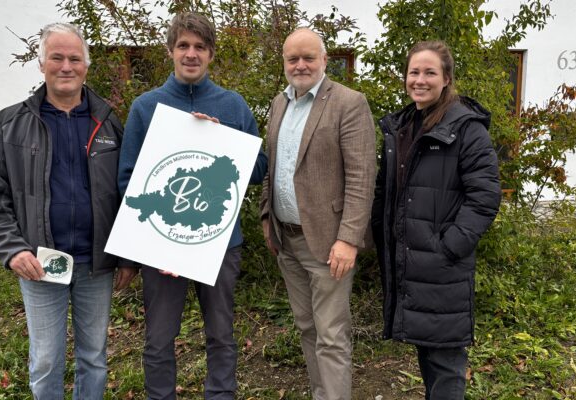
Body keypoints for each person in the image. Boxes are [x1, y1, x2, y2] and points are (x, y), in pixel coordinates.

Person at [0, 22, 137, 399]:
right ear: (41, 64)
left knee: (94, 358)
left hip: (96, 263)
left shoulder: (108, 122)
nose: (66, 66)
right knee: (47, 360)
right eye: (57, 57)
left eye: (74, 58)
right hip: (40, 263)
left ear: (86, 65)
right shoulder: (9, 124)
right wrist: (13, 249)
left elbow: (128, 192)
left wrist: (128, 256)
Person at [117, 12, 267, 400]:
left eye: (200, 46)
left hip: (219, 244)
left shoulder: (233, 105)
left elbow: (259, 169)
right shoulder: (146, 107)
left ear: (211, 54)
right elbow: (128, 180)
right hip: (161, 246)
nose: (191, 54)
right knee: (159, 339)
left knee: (221, 335)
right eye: (183, 45)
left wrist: (223, 142)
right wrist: (159, 244)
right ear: (170, 51)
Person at [371, 40, 501, 399]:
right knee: (428, 357)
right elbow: (386, 189)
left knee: (445, 365)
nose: (420, 80)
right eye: (414, 72)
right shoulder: (403, 126)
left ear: (446, 79)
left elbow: (485, 199)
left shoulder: (467, 130)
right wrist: (382, 236)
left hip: (442, 267)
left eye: (430, 72)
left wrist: (449, 248)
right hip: (409, 263)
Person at [259, 28, 376, 400]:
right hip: (287, 240)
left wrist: (348, 239)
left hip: (329, 243)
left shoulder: (348, 103)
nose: (301, 65)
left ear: (325, 60)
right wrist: (267, 218)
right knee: (307, 328)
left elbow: (361, 176)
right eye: (292, 58)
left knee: (331, 335)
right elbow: (272, 166)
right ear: (284, 62)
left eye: (308, 57)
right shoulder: (279, 104)